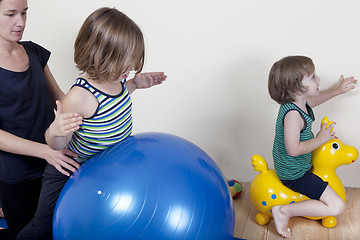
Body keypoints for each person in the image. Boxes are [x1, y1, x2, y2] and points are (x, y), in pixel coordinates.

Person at [16, 7, 167, 239]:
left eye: (133, 62)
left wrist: (136, 84)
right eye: (127, 63)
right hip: (70, 170)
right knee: (43, 226)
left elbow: (114, 103)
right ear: (104, 57)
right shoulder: (80, 97)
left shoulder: (119, 81)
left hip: (108, 167)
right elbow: (58, 144)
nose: (132, 68)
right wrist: (55, 131)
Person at [0, 0, 80, 239]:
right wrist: (45, 151)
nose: (21, 22)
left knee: (61, 230)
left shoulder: (34, 52)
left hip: (55, 163)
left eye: (24, 13)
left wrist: (120, 89)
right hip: (18, 176)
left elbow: (63, 102)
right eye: (11, 14)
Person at [268, 55, 357, 238]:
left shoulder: (298, 104)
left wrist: (337, 91)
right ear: (296, 87)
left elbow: (312, 102)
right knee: (337, 206)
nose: (319, 79)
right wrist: (320, 139)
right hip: (295, 175)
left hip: (300, 167)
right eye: (313, 77)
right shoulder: (292, 115)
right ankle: (284, 211)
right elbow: (293, 150)